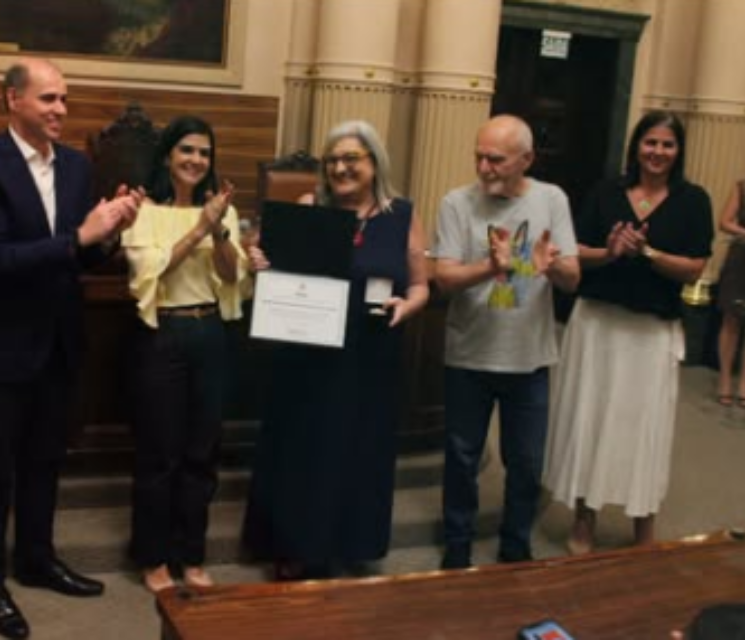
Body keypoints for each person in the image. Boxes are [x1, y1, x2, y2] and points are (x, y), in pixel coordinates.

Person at [0, 58, 142, 638]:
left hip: (57, 343)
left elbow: (79, 258)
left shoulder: (78, 167)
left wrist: (110, 233)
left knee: (44, 462)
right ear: (13, 100)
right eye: (49, 98)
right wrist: (79, 236)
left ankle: (37, 559)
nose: (61, 109)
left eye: (64, 99)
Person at [242, 120, 430, 579]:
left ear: (374, 163)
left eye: (351, 159)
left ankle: (350, 543)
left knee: (358, 447)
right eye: (332, 161)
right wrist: (260, 262)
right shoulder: (310, 206)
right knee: (305, 447)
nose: (340, 168)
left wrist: (407, 306)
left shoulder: (402, 214)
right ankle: (295, 546)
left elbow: (421, 286)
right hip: (309, 352)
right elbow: (277, 272)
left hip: (370, 353)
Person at [543, 111, 713, 554]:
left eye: (667, 144)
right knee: (591, 418)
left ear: (678, 151)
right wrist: (611, 251)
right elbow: (575, 250)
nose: (657, 152)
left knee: (643, 428)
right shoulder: (606, 192)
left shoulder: (693, 200)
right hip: (598, 326)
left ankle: (643, 527)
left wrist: (649, 253)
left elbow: (695, 267)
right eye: (650, 142)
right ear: (636, 146)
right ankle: (584, 520)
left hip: (651, 333)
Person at [433, 114, 580, 570]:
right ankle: (457, 545)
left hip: (528, 358)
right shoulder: (456, 202)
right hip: (469, 354)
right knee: (461, 458)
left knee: (526, 463)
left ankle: (515, 547)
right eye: (479, 157)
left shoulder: (552, 199)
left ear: (526, 159)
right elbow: (444, 279)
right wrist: (491, 268)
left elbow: (572, 278)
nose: (484, 168)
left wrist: (551, 266)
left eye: (495, 159)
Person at [122, 116, 248, 593]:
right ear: (167, 155)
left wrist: (219, 231)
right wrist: (200, 229)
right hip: (162, 334)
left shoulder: (221, 211)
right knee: (160, 454)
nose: (196, 160)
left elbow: (232, 277)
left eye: (204, 153)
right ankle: (153, 557)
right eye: (187, 150)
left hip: (209, 332)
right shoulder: (143, 210)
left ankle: (191, 555)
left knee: (202, 452)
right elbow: (149, 272)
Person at [715, 181, 745, 406]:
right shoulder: (742, 187)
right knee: (731, 319)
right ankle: (725, 380)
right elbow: (724, 222)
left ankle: (744, 384)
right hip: (740, 258)